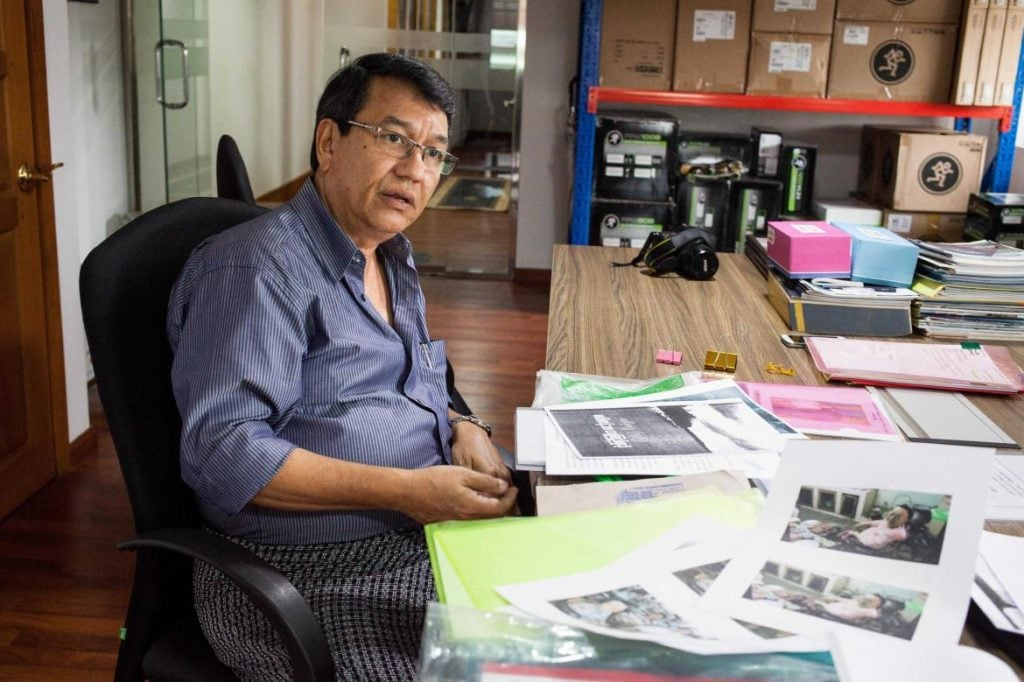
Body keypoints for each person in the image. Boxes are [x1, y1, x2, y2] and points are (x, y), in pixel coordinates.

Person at [167, 52, 518, 681]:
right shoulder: (254, 270)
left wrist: (466, 427)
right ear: (329, 142)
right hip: (309, 574)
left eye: (433, 153)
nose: (415, 170)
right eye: (394, 139)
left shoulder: (389, 253)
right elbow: (223, 452)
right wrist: (408, 492)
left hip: (419, 531)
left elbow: (420, 377)